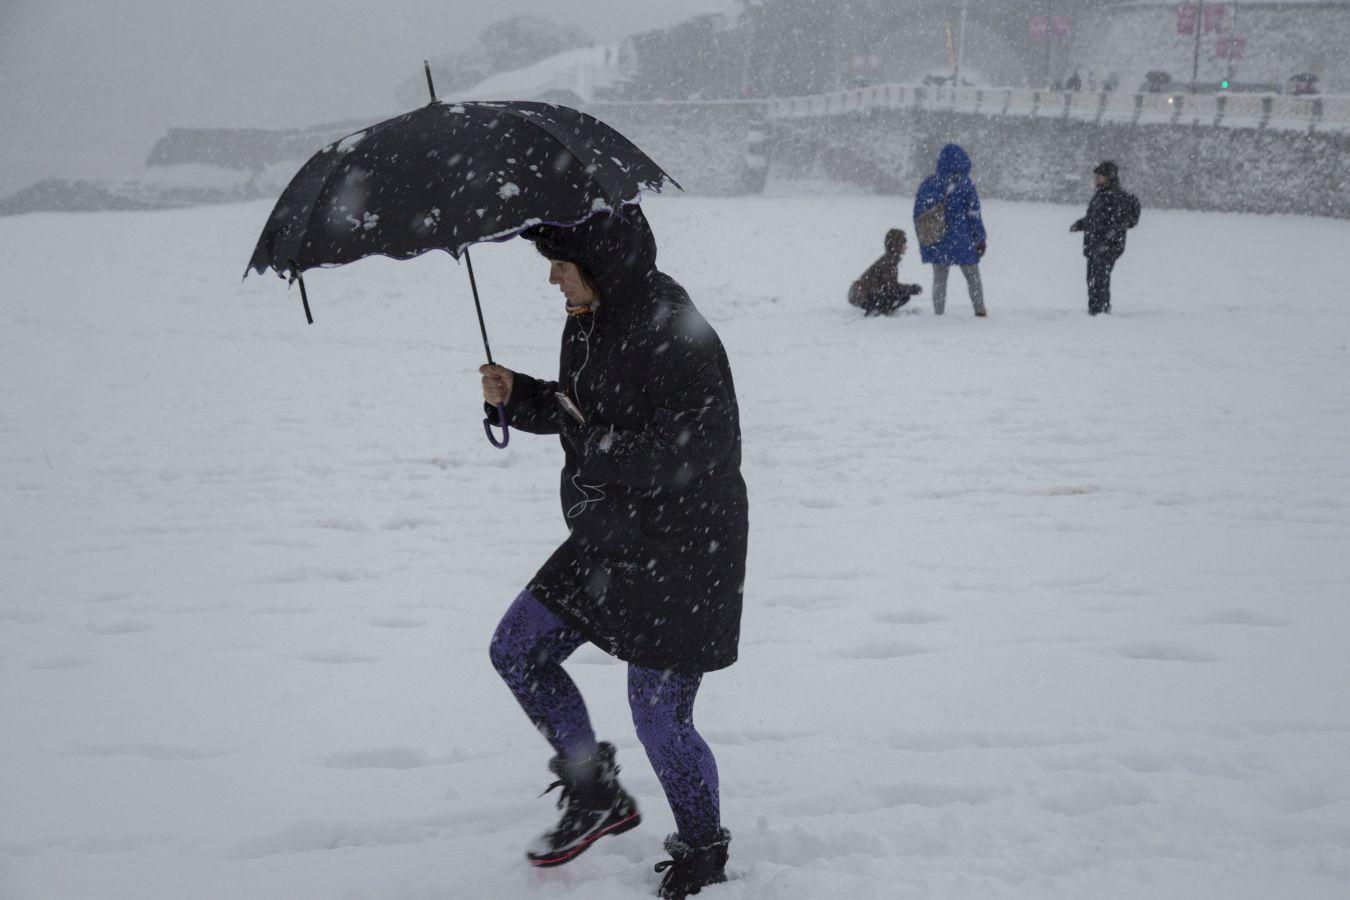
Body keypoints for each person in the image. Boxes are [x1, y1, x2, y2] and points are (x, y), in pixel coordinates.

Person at [478, 205, 747, 899]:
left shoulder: (673, 328)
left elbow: (705, 443)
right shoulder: (589, 318)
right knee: (517, 649)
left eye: (560, 266)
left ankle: (704, 850)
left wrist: (603, 449)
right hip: (611, 535)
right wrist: (520, 396)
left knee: (658, 713)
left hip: (686, 547)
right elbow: (580, 410)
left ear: (600, 264)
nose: (552, 280)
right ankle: (594, 791)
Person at [913, 143, 988, 317]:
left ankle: (939, 314)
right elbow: (974, 215)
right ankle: (980, 311)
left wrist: (924, 236)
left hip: (937, 238)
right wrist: (980, 238)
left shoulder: (929, 183)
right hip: (962, 239)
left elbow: (919, 213)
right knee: (972, 277)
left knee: (939, 278)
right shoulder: (966, 184)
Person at [1070, 161, 1141, 315]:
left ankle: (1099, 310)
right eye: (1096, 176)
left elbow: (1117, 223)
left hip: (1107, 246)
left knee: (1099, 277)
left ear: (1109, 177)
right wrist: (1080, 224)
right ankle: (1097, 309)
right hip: (1096, 245)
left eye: (1100, 176)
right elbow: (1095, 220)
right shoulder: (1101, 195)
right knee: (1094, 277)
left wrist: (1108, 239)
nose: (1096, 179)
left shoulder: (1114, 197)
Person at [848, 228, 923, 317]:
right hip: (863, 296)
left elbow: (889, 285)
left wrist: (907, 289)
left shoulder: (889, 259)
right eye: (904, 244)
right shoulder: (889, 262)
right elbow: (890, 287)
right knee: (903, 297)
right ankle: (877, 311)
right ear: (898, 245)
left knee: (901, 295)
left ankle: (879, 309)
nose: (906, 247)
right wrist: (910, 289)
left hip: (861, 294)